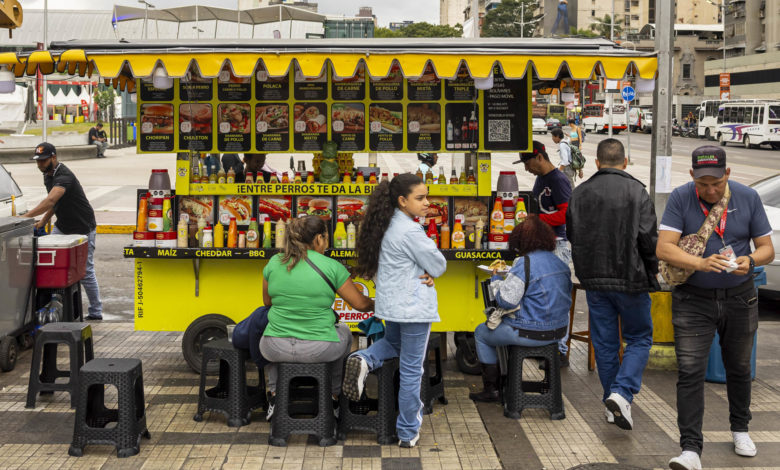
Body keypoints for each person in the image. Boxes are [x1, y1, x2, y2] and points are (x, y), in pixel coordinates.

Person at [657, 146, 774, 470]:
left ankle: (740, 428)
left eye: (717, 184)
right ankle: (691, 449)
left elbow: (767, 249)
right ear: (692, 176)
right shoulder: (681, 198)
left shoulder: (747, 197)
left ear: (728, 175)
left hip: (740, 297)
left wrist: (748, 260)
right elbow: (664, 247)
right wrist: (700, 262)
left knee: (738, 368)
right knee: (691, 372)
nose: (710, 190)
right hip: (693, 299)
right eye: (703, 183)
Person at [343, 173, 447, 448]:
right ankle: (407, 431)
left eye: (427, 197)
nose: (427, 203)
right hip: (413, 307)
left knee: (392, 343)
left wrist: (422, 268)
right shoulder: (411, 231)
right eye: (420, 198)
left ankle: (365, 358)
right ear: (402, 201)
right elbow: (438, 265)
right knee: (413, 370)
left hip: (392, 304)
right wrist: (428, 270)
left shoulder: (384, 225)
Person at [566, 138, 659, 431]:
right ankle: (622, 393)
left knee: (605, 344)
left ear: (596, 163)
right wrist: (653, 274)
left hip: (594, 280)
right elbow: (648, 240)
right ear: (625, 162)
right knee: (639, 338)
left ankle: (613, 403)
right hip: (631, 279)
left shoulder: (579, 193)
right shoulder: (636, 191)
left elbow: (572, 235)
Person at [260, 216, 374, 420]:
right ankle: (333, 397)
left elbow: (267, 302)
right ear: (319, 239)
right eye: (326, 238)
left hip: (275, 347)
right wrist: (380, 303)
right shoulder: (332, 266)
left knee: (274, 329)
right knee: (345, 332)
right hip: (319, 349)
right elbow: (360, 304)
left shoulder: (275, 262)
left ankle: (275, 396)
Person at [468, 216, 571, 403]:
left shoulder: (525, 263)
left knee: (481, 332)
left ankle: (492, 389)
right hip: (558, 332)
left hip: (529, 331)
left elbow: (506, 301)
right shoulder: (561, 264)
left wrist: (497, 279)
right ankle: (514, 383)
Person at [23, 143, 102, 320]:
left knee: (85, 271)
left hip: (83, 227)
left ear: (53, 157)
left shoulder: (64, 175)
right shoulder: (48, 175)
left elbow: (51, 200)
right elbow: (56, 203)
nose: (40, 165)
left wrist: (26, 217)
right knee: (49, 262)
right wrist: (43, 220)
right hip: (63, 226)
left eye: (43, 161)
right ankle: (52, 305)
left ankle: (96, 311)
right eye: (38, 161)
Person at [515, 140, 573, 363]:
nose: (526, 167)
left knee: (557, 297)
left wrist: (537, 219)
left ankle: (560, 350)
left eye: (527, 162)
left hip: (558, 243)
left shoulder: (558, 180)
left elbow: (565, 214)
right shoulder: (541, 180)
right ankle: (546, 344)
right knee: (542, 296)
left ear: (540, 157)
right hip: (543, 244)